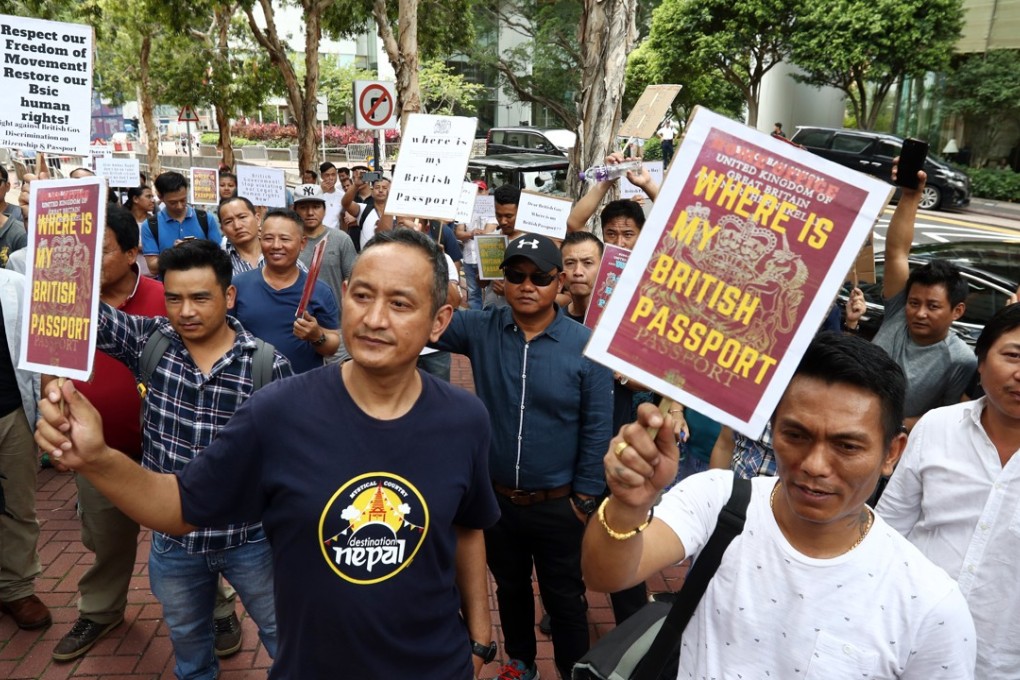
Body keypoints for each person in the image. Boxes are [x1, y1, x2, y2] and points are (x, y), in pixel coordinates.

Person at [35, 229, 499, 678]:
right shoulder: (279, 410)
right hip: (314, 666)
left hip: (436, 662)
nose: (375, 319)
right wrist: (97, 458)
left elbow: (467, 528)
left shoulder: (465, 419)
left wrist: (479, 637)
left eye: (400, 303)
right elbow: (177, 505)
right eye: (361, 296)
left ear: (439, 321)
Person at [583, 333, 977, 678]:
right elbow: (606, 575)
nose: (815, 465)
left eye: (846, 445)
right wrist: (628, 504)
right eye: (796, 435)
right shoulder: (719, 499)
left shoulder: (929, 604)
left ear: (892, 452)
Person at [78, 239, 287, 679]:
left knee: (283, 637)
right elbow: (81, 313)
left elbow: (288, 460)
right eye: (174, 298)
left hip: (248, 537)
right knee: (188, 641)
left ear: (229, 297)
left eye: (200, 298)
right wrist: (64, 242)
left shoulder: (267, 366)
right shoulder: (150, 342)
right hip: (174, 543)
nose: (186, 311)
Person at [434, 233, 614, 680]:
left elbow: (597, 427)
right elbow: (427, 315)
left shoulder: (587, 344)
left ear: (560, 284)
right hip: (497, 503)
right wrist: (422, 243)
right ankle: (521, 664)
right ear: (503, 282)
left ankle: (575, 670)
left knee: (565, 598)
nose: (527, 285)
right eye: (516, 275)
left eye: (539, 277)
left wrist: (586, 499)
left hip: (561, 505)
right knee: (510, 589)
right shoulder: (481, 328)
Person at [49, 205, 167, 660]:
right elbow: (50, 368)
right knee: (106, 539)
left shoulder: (167, 298)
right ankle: (99, 612)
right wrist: (56, 416)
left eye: (98, 250)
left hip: (168, 453)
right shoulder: (65, 303)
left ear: (133, 251)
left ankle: (216, 608)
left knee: (191, 539)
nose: (86, 262)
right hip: (98, 452)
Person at [877, 303, 1020, 678]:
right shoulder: (936, 428)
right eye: (1013, 355)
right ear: (981, 358)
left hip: (998, 663)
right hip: (904, 640)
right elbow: (888, 531)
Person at [848, 167, 975, 431]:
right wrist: (910, 196)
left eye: (933, 306)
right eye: (914, 303)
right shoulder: (897, 312)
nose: (919, 313)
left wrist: (885, 427)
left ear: (957, 311)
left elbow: (947, 417)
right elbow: (897, 253)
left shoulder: (961, 359)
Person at [232, 209, 340, 374]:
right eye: (268, 238)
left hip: (301, 386)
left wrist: (317, 336)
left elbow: (332, 347)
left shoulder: (320, 291)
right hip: (249, 387)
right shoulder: (238, 285)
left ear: (302, 243)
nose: (276, 245)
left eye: (284, 239)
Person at [0, 268, 46, 630]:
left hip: (11, 413)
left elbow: (41, 355)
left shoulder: (15, 284)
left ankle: (16, 587)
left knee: (18, 505)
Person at [142, 172, 222, 276]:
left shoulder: (205, 219)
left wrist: (195, 250)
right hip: (169, 288)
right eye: (173, 202)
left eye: (183, 200)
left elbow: (219, 255)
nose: (180, 206)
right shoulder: (151, 225)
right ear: (160, 197)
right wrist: (175, 253)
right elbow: (152, 267)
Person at [480, 184, 525, 310]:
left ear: (520, 211)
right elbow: (482, 283)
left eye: (509, 216)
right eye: (498, 215)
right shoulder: (489, 240)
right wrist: (482, 273)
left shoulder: (529, 243)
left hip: (517, 314)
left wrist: (509, 292)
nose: (503, 221)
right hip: (490, 311)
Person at [560, 231, 603, 323]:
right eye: (570, 263)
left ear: (603, 266)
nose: (578, 272)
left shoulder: (619, 320)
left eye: (587, 263)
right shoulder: (555, 322)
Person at [342, 173, 391, 251]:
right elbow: (346, 203)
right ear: (372, 191)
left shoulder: (397, 214)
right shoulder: (363, 209)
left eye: (385, 188)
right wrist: (356, 185)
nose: (381, 190)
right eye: (377, 187)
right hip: (367, 258)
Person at [219, 196, 264, 274]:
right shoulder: (218, 263)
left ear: (257, 219)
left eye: (242, 217)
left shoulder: (279, 251)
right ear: (223, 230)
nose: (237, 226)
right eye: (228, 222)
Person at [318, 162, 343, 229]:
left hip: (335, 235)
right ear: (322, 176)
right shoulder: (316, 193)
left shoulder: (342, 195)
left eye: (333, 175)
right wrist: (321, 192)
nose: (331, 178)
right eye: (327, 175)